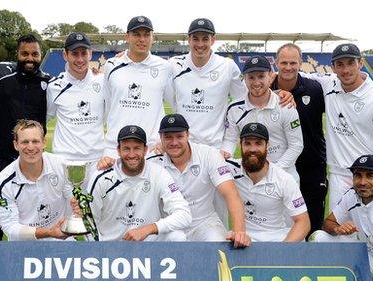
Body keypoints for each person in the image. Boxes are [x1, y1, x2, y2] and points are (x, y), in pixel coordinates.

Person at [303, 43, 373, 210]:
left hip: (371, 175)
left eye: (350, 63)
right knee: (339, 231)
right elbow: (295, 75)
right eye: (340, 64)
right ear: (333, 67)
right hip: (341, 176)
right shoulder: (329, 84)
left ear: (360, 63)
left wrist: (370, 176)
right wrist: (271, 76)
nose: (345, 70)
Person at [148, 114, 249, 247]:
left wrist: (239, 231)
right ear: (160, 138)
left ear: (188, 134)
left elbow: (231, 194)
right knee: (175, 241)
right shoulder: (153, 162)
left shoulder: (209, 155)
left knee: (216, 245)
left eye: (179, 136)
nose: (174, 142)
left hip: (205, 223)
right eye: (168, 137)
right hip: (170, 226)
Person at [87, 125, 192, 241]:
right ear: (118, 150)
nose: (132, 155)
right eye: (126, 148)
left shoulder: (159, 173)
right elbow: (89, 221)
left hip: (147, 246)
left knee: (177, 237)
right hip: (112, 247)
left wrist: (148, 229)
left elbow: (184, 215)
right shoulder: (101, 177)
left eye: (137, 148)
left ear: (145, 150)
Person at [165, 18, 246, 148]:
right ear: (189, 40)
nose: (200, 44)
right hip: (183, 147)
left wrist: (229, 145)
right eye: (196, 39)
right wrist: (125, 57)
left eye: (205, 39)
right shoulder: (174, 64)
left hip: (215, 148)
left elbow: (244, 101)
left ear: (213, 40)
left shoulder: (227, 66)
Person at [272, 43, 327, 234]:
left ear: (300, 63)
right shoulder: (265, 89)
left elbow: (344, 94)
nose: (288, 67)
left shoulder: (314, 88)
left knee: (313, 225)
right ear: (276, 62)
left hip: (311, 167)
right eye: (284, 62)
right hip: (280, 166)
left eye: (293, 63)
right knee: (280, 223)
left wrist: (370, 83)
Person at [0, 119, 79, 241]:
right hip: (25, 247)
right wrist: (49, 232)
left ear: (44, 142)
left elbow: (73, 200)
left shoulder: (61, 165)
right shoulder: (2, 182)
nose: (31, 147)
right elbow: (11, 229)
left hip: (61, 241)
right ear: (16, 145)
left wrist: (78, 210)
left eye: (35, 141)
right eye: (25, 142)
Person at [222, 55, 303, 181]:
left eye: (261, 76)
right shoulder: (234, 108)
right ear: (244, 79)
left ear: (270, 77)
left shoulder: (285, 104)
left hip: (284, 175)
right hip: (250, 175)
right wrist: (225, 153)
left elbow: (296, 145)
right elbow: (230, 139)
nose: (256, 82)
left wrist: (273, 171)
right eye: (251, 77)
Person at [226, 123, 310, 242]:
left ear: (267, 146)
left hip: (276, 236)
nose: (252, 149)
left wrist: (281, 252)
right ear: (240, 145)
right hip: (246, 236)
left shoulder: (284, 179)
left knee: (299, 241)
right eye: (247, 143)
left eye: (258, 143)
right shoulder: (229, 169)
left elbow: (303, 222)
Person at [101, 16, 171, 157]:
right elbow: (108, 103)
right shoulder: (111, 65)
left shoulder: (165, 67)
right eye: (136, 34)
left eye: (146, 35)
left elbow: (175, 101)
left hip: (152, 149)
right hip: (116, 148)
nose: (142, 39)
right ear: (127, 37)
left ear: (153, 38)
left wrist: (164, 138)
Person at [0, 34, 51, 177]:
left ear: (41, 55)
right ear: (17, 54)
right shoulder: (1, 73)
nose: (30, 58)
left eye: (35, 54)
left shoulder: (48, 82)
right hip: (0, 157)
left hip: (32, 154)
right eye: (24, 54)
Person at [46, 32, 105, 169]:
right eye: (74, 54)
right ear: (65, 55)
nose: (80, 59)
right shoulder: (54, 86)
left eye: (84, 53)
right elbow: (45, 118)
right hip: (64, 160)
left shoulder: (103, 82)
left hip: (97, 160)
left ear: (90, 54)